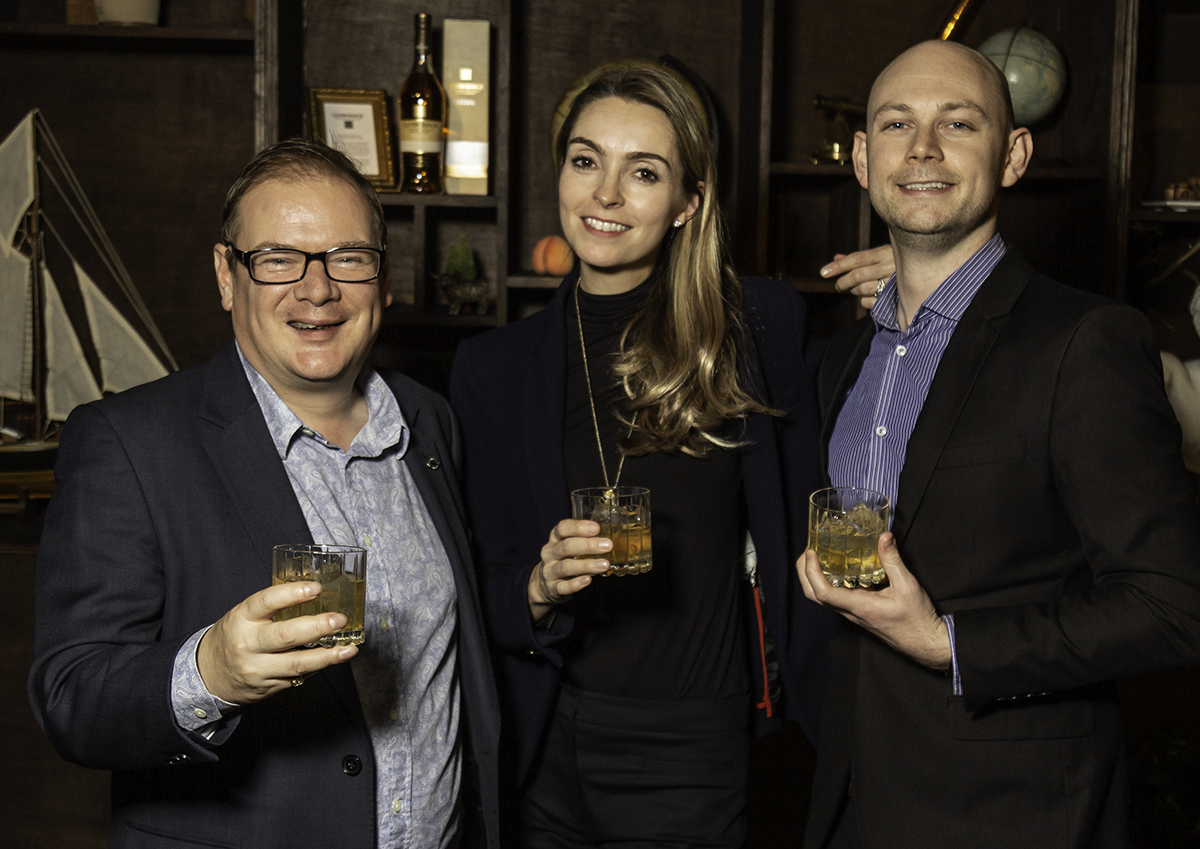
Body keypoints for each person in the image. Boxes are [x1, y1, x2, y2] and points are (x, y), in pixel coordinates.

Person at [28, 139, 499, 849]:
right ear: (226, 275)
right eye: (279, 258)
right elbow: (69, 696)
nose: (318, 289)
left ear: (384, 277)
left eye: (348, 257)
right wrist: (210, 670)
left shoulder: (429, 421)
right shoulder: (128, 442)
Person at [796, 39, 1200, 849]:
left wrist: (946, 643)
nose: (924, 150)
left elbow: (1173, 606)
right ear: (863, 159)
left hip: (1013, 815)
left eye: (960, 123)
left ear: (1013, 155)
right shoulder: (841, 358)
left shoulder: (1084, 340)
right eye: (897, 125)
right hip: (850, 798)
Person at [450, 65, 832, 847]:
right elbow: (473, 586)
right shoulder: (493, 367)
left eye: (644, 172)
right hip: (545, 738)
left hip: (692, 744)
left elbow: (860, 413)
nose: (606, 195)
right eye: (586, 160)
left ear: (689, 202)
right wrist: (537, 585)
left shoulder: (756, 325)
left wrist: (919, 280)